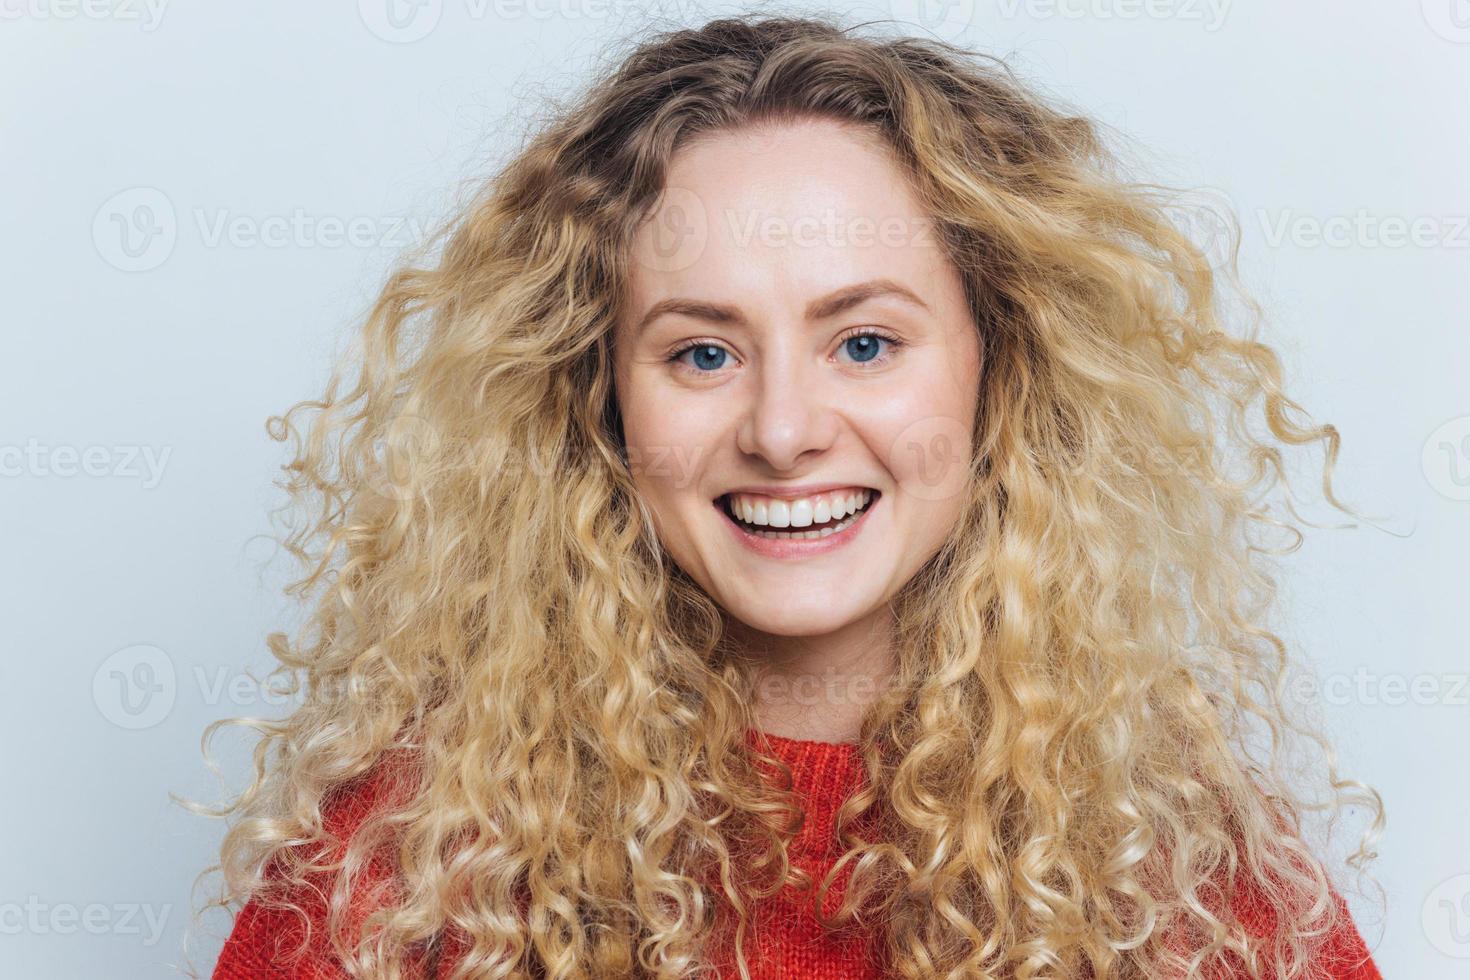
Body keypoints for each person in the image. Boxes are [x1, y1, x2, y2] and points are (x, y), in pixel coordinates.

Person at [201, 14, 1384, 979]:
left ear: (999, 367)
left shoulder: (1171, 858)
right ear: (600, 400)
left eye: (865, 343)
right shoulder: (407, 862)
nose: (782, 430)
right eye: (702, 353)